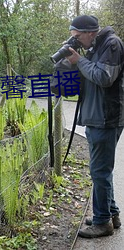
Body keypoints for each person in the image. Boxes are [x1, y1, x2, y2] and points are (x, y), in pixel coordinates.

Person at [66, 15, 124, 238]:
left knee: (99, 171)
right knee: (101, 171)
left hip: (106, 118)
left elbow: (104, 77)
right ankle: (111, 214)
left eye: (78, 37)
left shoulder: (112, 44)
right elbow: (87, 75)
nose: (77, 41)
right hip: (96, 117)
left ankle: (102, 223)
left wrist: (79, 60)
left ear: (90, 32)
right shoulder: (95, 47)